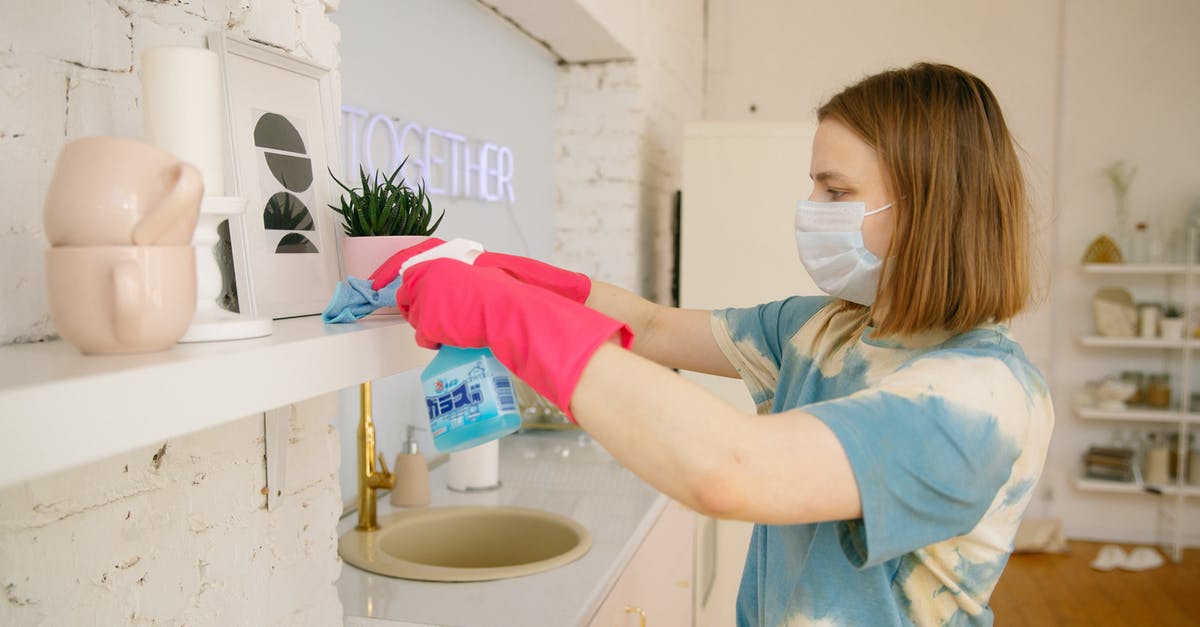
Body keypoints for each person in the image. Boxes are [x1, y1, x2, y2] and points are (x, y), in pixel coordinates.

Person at [368, 62, 1053, 626]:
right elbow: (657, 328)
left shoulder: (979, 397)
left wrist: (505, 314)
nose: (809, 206)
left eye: (834, 189)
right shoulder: (826, 327)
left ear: (927, 204)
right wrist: (505, 271)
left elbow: (731, 469)